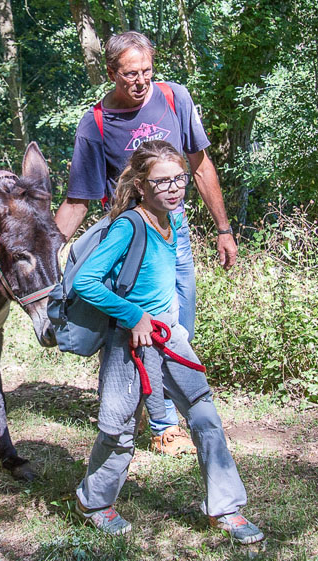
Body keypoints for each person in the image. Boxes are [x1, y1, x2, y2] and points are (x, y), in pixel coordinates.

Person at [71, 141, 263, 544]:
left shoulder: (172, 220)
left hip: (170, 337)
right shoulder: (130, 225)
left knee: (205, 416)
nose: (174, 188)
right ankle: (93, 502)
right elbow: (87, 281)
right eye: (163, 181)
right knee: (119, 430)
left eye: (179, 179)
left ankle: (225, 509)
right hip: (130, 343)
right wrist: (134, 315)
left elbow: (169, 278)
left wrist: (175, 323)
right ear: (141, 185)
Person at [56, 31, 238, 456]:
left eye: (146, 72)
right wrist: (47, 250)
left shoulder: (175, 98)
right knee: (153, 326)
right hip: (132, 236)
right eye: (129, 76)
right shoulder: (95, 123)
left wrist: (224, 229)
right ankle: (163, 426)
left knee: (180, 328)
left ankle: (157, 403)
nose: (140, 83)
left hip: (176, 231)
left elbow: (199, 164)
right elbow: (78, 198)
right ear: (110, 73)